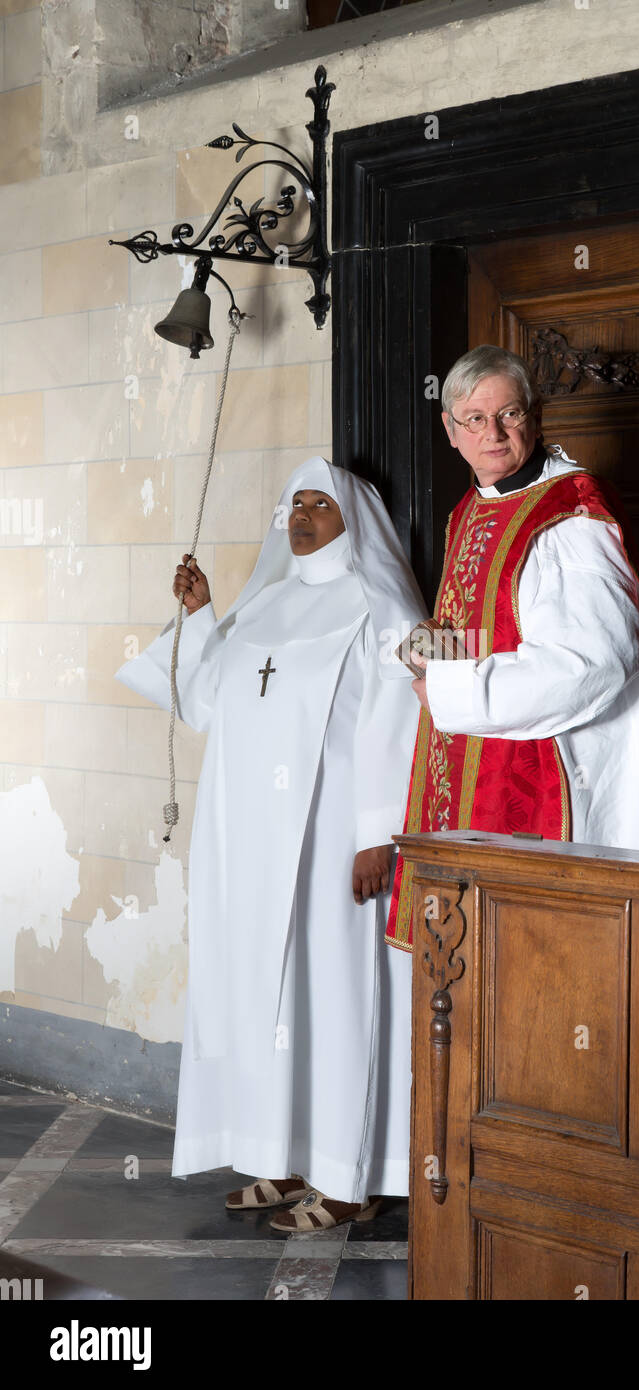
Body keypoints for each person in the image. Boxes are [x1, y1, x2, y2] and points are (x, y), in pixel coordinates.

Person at [116, 457, 427, 1232]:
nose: (302, 514)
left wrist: (377, 834)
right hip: (249, 845)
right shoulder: (266, 603)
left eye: (320, 502)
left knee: (334, 995)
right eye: (294, 502)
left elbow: (400, 719)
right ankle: (282, 1155)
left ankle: (350, 1176)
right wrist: (203, 610)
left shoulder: (377, 605)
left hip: (331, 841)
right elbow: (207, 697)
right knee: (264, 993)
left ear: (354, 519)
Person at [386, 345, 639, 951]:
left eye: (509, 414)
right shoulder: (470, 509)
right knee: (462, 972)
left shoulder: (569, 515)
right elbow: (487, 630)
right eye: (473, 418)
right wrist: (428, 646)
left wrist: (451, 688)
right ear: (450, 431)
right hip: (468, 774)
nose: (492, 433)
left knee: (528, 964)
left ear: (535, 416)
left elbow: (593, 665)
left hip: (549, 781)